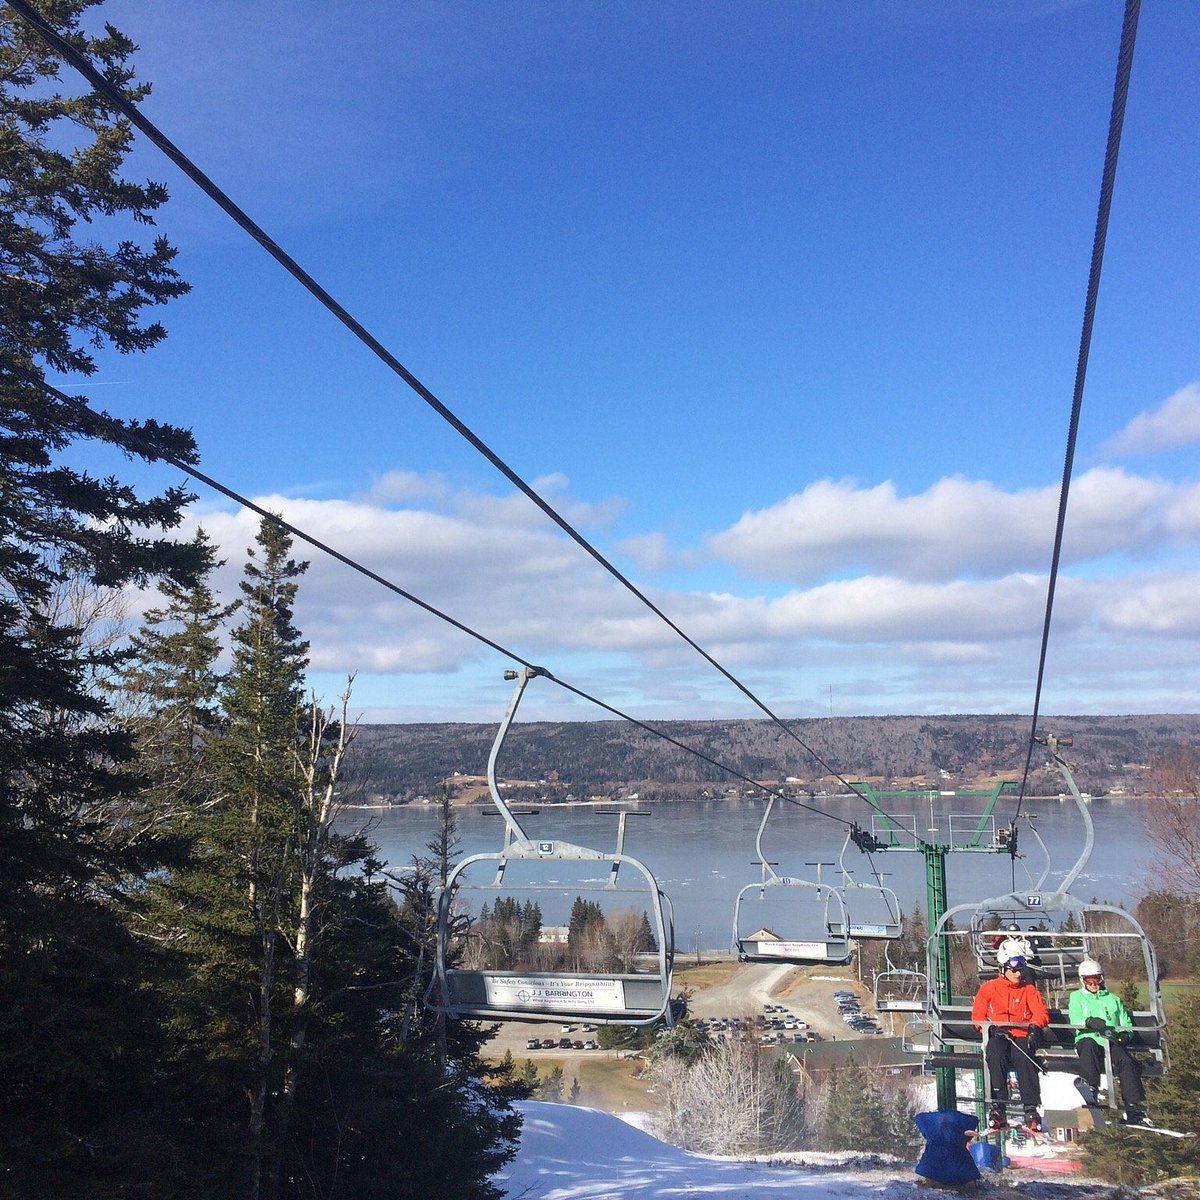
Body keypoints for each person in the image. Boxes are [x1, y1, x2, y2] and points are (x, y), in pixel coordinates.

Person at [971, 952, 1050, 1130]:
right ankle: (998, 1104)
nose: (1018, 974)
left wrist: (1035, 1027)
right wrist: (990, 1028)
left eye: (1020, 970)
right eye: (1014, 970)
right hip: (999, 1034)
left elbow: (1040, 1012)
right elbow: (977, 1015)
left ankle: (1030, 1107)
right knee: (995, 1055)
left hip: (1021, 1033)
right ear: (1003, 969)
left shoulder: (1028, 990)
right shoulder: (989, 988)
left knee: (1024, 1057)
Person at [1067, 958, 1147, 1125]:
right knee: (1089, 1047)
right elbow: (1075, 1017)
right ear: (1083, 980)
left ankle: (1133, 1107)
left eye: (1096, 979)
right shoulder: (1077, 997)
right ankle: (1091, 1087)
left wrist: (1125, 1034)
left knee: (1126, 1061)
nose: (1094, 983)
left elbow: (1125, 1023)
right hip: (1088, 1037)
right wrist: (1089, 1022)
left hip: (1111, 1040)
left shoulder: (1113, 999)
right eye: (1089, 980)